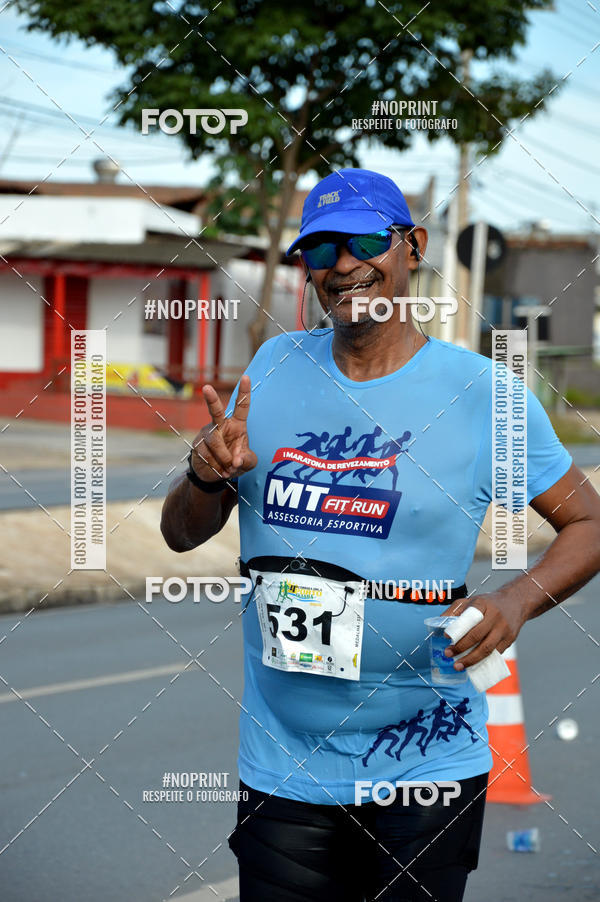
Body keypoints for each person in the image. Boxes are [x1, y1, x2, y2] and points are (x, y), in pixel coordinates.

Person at [160, 168, 600, 901]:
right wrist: (205, 475)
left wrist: (517, 600)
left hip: (426, 768)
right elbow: (180, 535)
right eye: (319, 249)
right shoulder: (272, 368)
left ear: (412, 247)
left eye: (364, 242)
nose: (341, 265)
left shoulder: (483, 395)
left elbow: (588, 522)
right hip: (283, 767)